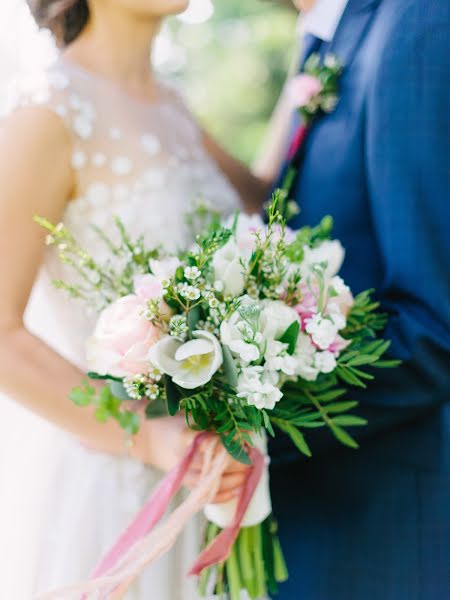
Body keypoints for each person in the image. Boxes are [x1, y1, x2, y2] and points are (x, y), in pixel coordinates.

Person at [0, 1, 269, 597]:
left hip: (218, 472)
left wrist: (311, 82)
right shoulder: (46, 112)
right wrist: (146, 437)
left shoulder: (172, 104)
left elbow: (265, 199)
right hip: (120, 481)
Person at [268, 0, 450, 598]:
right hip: (314, 521)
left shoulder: (419, 22)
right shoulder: (326, 37)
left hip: (387, 532)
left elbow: (433, 327)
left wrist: (253, 421)